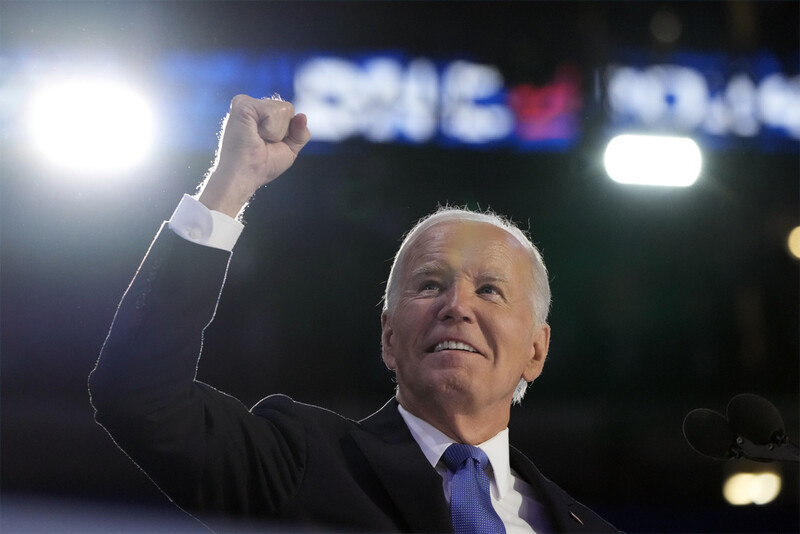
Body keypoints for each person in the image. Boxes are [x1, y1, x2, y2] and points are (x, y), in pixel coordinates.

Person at [89, 95, 620, 533]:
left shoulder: (587, 529)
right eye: (429, 284)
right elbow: (138, 395)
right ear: (388, 337)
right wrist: (232, 183)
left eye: (489, 290)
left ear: (536, 350)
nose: (456, 306)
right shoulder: (300, 463)